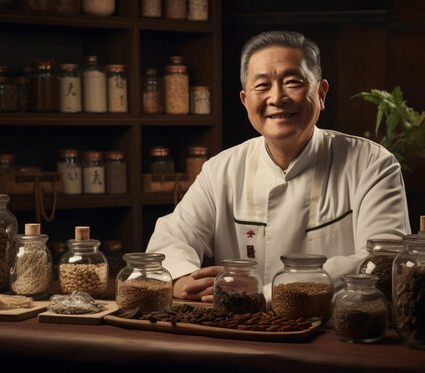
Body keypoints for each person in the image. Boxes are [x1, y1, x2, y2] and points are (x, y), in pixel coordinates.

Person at [146, 30, 411, 303]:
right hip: (238, 333)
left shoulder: (372, 164)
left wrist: (265, 295)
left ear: (321, 93)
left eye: (293, 82)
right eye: (261, 86)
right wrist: (181, 279)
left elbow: (382, 262)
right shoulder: (221, 170)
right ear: (245, 101)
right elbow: (172, 239)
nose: (277, 97)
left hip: (334, 331)